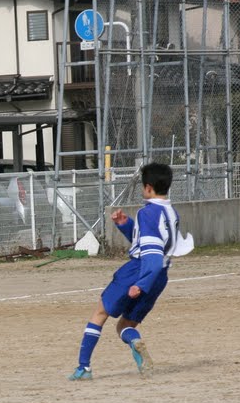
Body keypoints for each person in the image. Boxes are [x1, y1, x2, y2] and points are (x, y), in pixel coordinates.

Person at [69, 162, 181, 380]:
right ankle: (135, 340)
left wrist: (141, 283)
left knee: (100, 313)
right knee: (124, 325)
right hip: (160, 276)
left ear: (148, 188)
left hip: (140, 271)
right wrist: (126, 225)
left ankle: (84, 368)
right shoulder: (172, 213)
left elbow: (152, 256)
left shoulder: (147, 213)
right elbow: (154, 245)